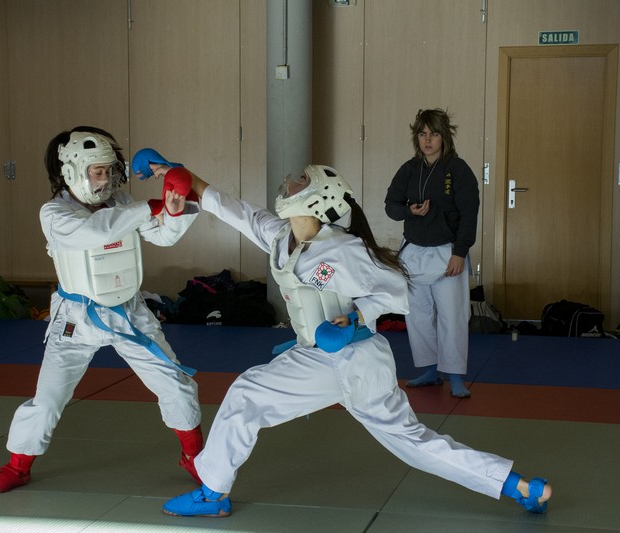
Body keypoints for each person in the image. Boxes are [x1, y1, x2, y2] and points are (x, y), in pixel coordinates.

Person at [132, 157, 550, 517]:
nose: (290, 185)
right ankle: (214, 492)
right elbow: (230, 209)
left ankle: (515, 485)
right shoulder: (281, 235)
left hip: (353, 359)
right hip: (322, 357)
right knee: (252, 397)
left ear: (318, 201)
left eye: (301, 183)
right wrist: (180, 172)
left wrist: (355, 318)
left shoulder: (347, 250)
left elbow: (396, 288)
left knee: (403, 440)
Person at [0, 127, 204, 493]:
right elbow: (94, 232)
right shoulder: (54, 213)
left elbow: (164, 236)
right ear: (72, 170)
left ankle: (194, 455)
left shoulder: (121, 203)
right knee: (49, 399)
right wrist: (150, 207)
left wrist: (180, 201)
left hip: (128, 312)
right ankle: (18, 465)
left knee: (175, 383)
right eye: (98, 171)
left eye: (109, 170)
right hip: (76, 318)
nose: (107, 179)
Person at [384, 108, 480, 398]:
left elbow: (469, 214)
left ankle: (454, 376)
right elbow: (391, 205)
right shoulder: (409, 169)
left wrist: (460, 252)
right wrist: (408, 211)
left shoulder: (458, 169)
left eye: (434, 134)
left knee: (452, 315)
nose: (428, 140)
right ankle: (429, 369)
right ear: (417, 137)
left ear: (444, 137)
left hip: (448, 252)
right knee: (418, 316)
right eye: (422, 134)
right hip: (414, 252)